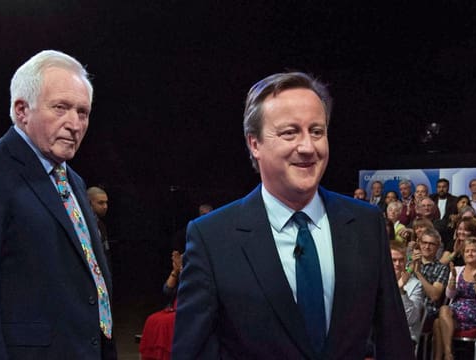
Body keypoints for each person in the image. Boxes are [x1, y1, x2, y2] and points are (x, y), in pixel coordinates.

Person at [171, 72, 413, 359]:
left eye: (317, 131)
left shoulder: (365, 224)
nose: (308, 147)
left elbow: (393, 338)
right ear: (254, 144)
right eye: (290, 132)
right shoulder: (212, 237)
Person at [0, 50, 116, 359]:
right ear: (21, 110)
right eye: (61, 107)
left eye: (82, 112)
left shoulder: (75, 182)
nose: (74, 123)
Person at [432, 238, 476, 360]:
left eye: (474, 251)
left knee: (438, 322)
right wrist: (453, 278)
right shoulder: (457, 270)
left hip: (475, 312)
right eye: (467, 251)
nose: (470, 254)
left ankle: (444, 356)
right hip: (454, 311)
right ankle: (448, 354)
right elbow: (449, 295)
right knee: (443, 312)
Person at [139, 250, 183, 360]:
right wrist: (175, 271)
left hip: (191, 307)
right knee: (152, 320)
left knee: (164, 323)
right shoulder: (184, 258)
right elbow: (167, 290)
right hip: (177, 306)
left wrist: (183, 270)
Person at [391, 243, 424, 344]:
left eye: (401, 260)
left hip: (404, 335)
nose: (397, 264)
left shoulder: (416, 284)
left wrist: (401, 290)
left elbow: (410, 319)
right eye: (393, 260)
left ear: (406, 261)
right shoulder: (378, 281)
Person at [88, 186, 112, 271]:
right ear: (89, 203)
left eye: (106, 203)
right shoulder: (83, 225)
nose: (105, 206)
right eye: (101, 203)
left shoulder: (101, 225)